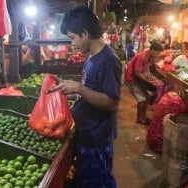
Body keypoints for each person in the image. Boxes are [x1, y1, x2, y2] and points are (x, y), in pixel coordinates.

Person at [47, 5, 121, 188]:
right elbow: (92, 92)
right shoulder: (91, 57)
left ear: (85, 33)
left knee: (99, 182)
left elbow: (112, 103)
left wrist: (79, 88)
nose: (72, 43)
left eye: (73, 37)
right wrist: (70, 92)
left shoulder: (108, 60)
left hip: (97, 138)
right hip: (86, 132)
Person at [125, 41, 164, 125]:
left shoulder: (149, 56)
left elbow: (146, 71)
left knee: (146, 97)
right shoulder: (142, 56)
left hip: (137, 79)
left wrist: (154, 79)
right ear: (152, 50)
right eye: (157, 52)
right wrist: (150, 82)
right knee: (142, 99)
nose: (158, 54)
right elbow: (137, 73)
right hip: (131, 79)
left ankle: (144, 117)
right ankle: (139, 119)